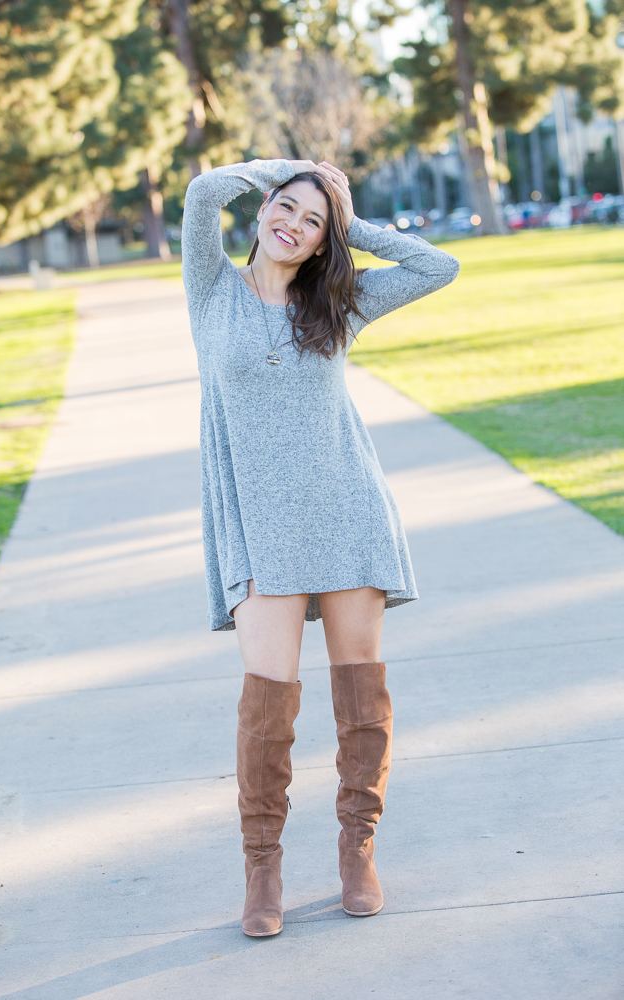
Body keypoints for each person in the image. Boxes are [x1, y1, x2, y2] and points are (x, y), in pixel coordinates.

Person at [181, 158, 460, 938]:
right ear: (262, 207)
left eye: (310, 223)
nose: (291, 225)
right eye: (283, 208)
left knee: (359, 696)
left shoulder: (337, 301)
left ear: (320, 242)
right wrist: (294, 170)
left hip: (344, 510)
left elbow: (438, 264)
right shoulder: (211, 292)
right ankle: (261, 868)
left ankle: (355, 850)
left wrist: (345, 215)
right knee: (266, 705)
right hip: (259, 528)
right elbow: (205, 192)